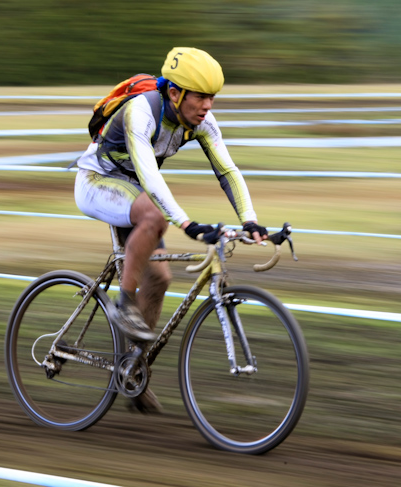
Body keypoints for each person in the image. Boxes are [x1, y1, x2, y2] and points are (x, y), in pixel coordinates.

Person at [73, 47, 269, 412]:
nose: (208, 105)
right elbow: (148, 174)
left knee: (160, 279)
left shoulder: (201, 122)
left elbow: (227, 171)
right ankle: (124, 304)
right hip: (97, 183)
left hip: (137, 194)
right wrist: (187, 223)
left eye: (212, 97)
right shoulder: (141, 111)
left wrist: (251, 220)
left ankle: (132, 370)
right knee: (155, 216)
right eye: (201, 96)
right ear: (175, 93)